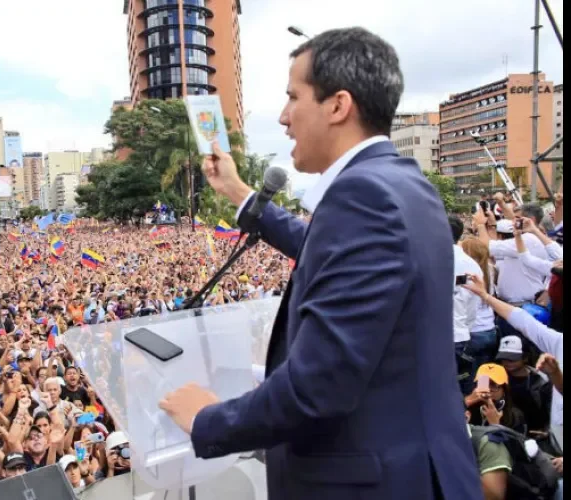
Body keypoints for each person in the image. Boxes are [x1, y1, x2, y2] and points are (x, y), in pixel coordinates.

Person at [158, 27, 482, 499]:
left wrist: (209, 419)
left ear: (337, 105)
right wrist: (237, 192)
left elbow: (318, 384)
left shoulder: (362, 196)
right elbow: (324, 248)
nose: (284, 117)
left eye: (293, 97)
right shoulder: (403, 184)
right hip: (415, 465)